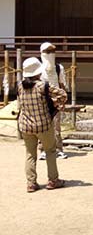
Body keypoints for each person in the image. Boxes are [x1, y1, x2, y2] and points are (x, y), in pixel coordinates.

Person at [17, 57, 67, 192]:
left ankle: (31, 183)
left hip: (26, 125)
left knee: (30, 154)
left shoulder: (19, 86)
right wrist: (57, 103)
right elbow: (62, 94)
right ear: (38, 72)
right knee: (50, 151)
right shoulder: (42, 86)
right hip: (43, 125)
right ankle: (53, 180)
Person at [39, 41, 68, 159]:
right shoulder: (38, 68)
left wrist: (62, 99)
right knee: (43, 125)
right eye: (47, 52)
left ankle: (59, 149)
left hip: (56, 99)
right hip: (42, 99)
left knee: (56, 126)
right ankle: (43, 149)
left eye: (52, 52)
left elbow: (62, 84)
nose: (50, 54)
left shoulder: (58, 68)